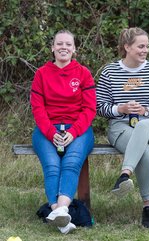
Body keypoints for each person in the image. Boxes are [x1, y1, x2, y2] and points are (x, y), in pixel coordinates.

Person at [96, 27, 149, 228]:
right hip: (120, 128)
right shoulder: (110, 72)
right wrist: (121, 108)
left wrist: (146, 110)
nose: (145, 50)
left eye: (147, 46)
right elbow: (99, 107)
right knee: (142, 149)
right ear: (127, 47)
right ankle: (148, 207)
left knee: (144, 126)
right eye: (140, 46)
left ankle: (124, 174)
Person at [31, 30, 96, 234]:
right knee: (51, 166)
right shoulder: (41, 74)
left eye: (68, 44)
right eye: (59, 44)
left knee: (71, 162)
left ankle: (61, 211)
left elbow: (89, 109)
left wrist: (74, 132)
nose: (64, 47)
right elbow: (38, 109)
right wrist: (51, 133)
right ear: (53, 47)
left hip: (78, 130)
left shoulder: (83, 73)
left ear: (74, 49)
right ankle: (60, 213)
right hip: (47, 130)